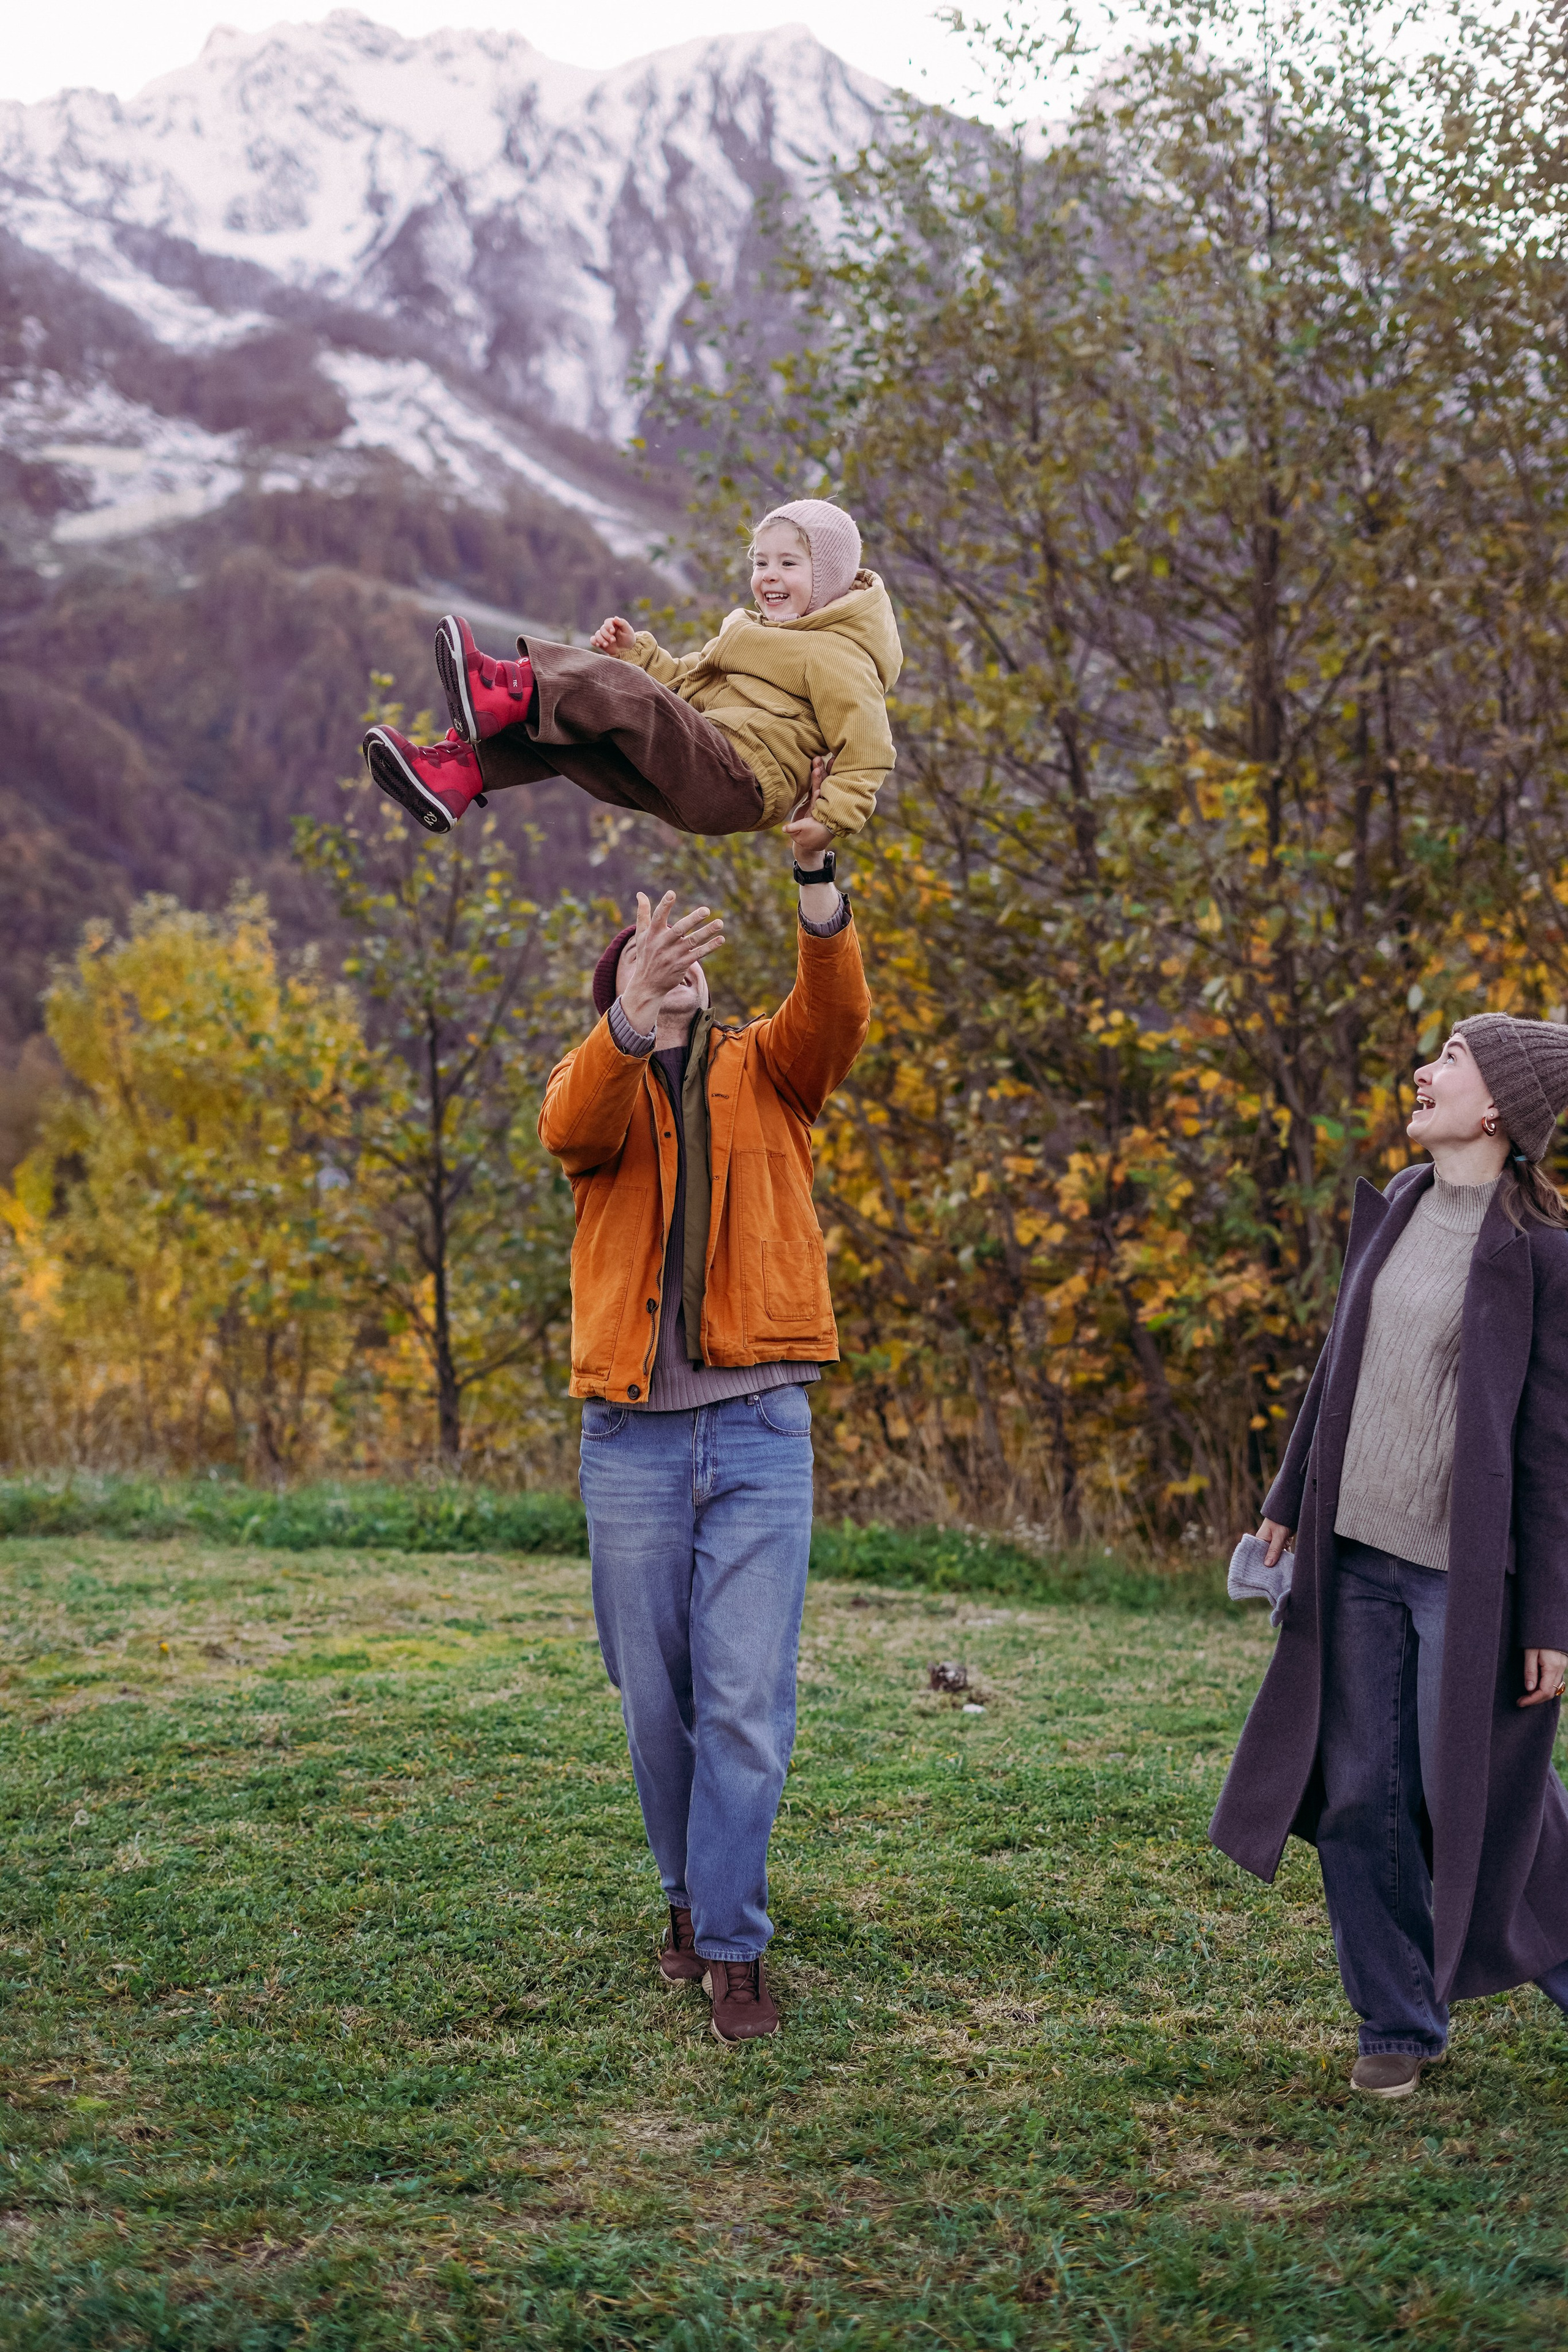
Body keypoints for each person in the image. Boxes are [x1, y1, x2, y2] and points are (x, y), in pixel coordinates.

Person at [535, 780, 869, 2042]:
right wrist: (625, 1021)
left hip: (757, 1432)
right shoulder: (597, 1096)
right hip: (629, 1441)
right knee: (652, 1694)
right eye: (642, 963)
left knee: (742, 1697)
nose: (670, 974)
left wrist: (813, 877)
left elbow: (834, 1012)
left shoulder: (767, 1074)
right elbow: (570, 1118)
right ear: (615, 997)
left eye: (681, 963)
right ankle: (684, 1897)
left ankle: (731, 1943)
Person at [1211, 1014, 1568, 2097]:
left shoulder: (1545, 1255)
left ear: (1500, 1106)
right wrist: (1284, 1500)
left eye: (1453, 1059)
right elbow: (1338, 1370)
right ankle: (1396, 2024)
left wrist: (1554, 1616)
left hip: (1468, 1574)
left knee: (1486, 1796)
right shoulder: (1399, 1207)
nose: (1425, 1068)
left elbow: (1555, 1452)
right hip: (1353, 1552)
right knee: (1361, 1791)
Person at [361, 499, 902, 845]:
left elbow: (867, 751)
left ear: (830, 576)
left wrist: (830, 819)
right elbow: (687, 684)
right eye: (761, 563)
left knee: (626, 697)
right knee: (578, 733)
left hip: (741, 777)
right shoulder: (754, 633)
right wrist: (640, 657)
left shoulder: (838, 654)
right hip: (701, 771)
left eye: (789, 564)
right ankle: (457, 775)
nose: (769, 577)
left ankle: (501, 687)